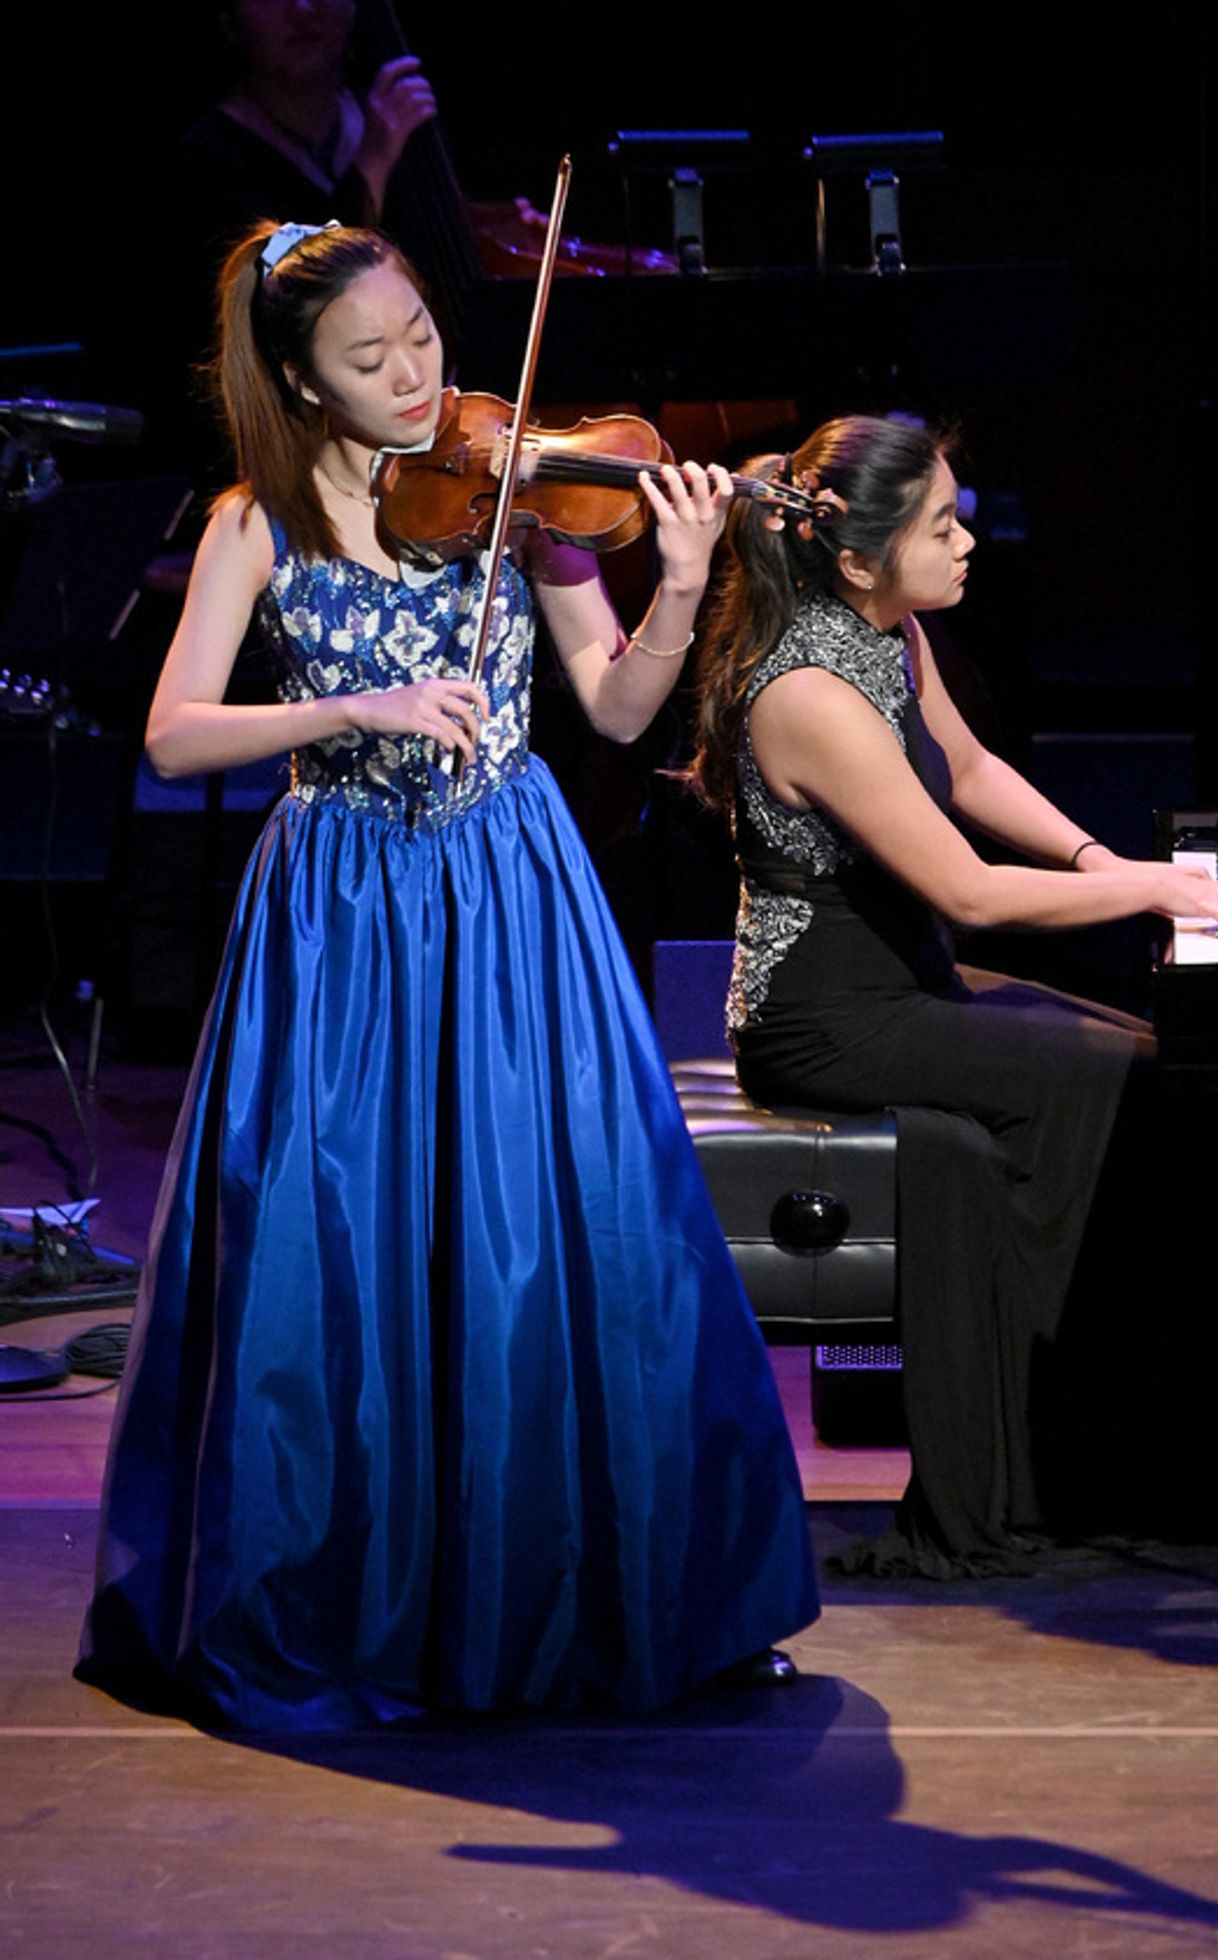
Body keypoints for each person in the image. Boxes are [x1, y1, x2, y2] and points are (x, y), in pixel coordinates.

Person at [76, 220, 817, 1730]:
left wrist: (677, 583)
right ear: (297, 379)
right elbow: (168, 734)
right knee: (336, 1248)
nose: (415, 380)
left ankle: (610, 1598)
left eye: (421, 337)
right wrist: (351, 706)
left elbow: (614, 710)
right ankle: (345, 1602)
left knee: (560, 1238)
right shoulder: (251, 524)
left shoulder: (519, 500)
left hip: (506, 891)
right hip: (339, 904)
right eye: (369, 359)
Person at [689, 413, 1218, 1578]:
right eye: (938, 525)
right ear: (857, 556)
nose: (966, 540)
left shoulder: (889, 630)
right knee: (1133, 1086)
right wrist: (1149, 891)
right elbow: (963, 889)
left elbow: (969, 772)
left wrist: (1095, 863)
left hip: (898, 979)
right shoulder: (806, 689)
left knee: (1168, 1066)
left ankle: (1215, 1426)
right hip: (822, 1018)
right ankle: (1118, 1451)